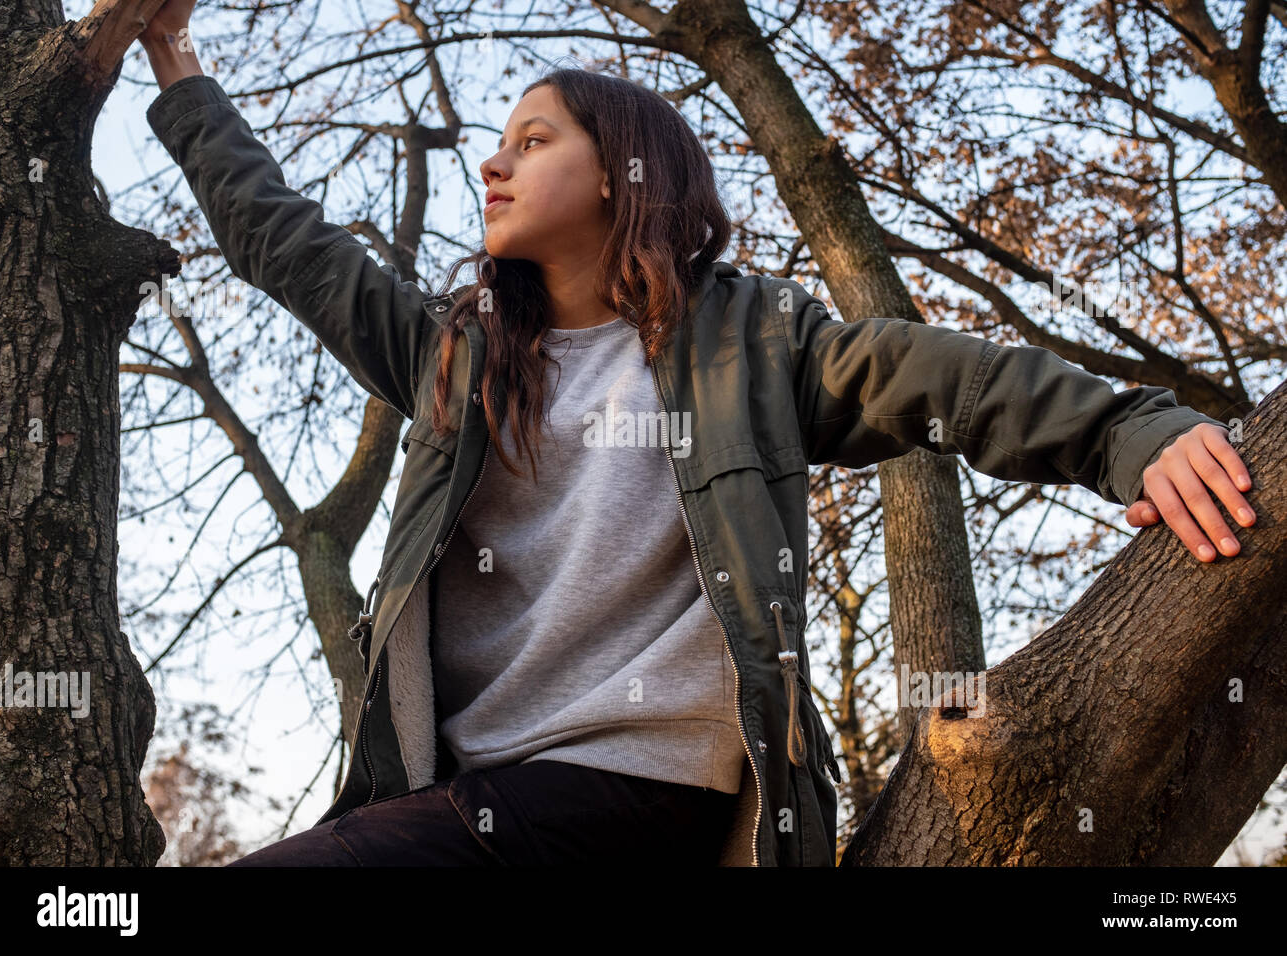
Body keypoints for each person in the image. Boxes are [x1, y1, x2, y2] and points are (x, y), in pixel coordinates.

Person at [137, 3, 1256, 867]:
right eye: (500, 144)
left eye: (532, 139)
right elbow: (280, 240)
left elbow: (949, 380)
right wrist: (175, 64)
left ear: (630, 173)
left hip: (646, 791)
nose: (495, 162)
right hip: (474, 801)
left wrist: (1133, 431)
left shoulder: (751, 343)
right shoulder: (456, 356)